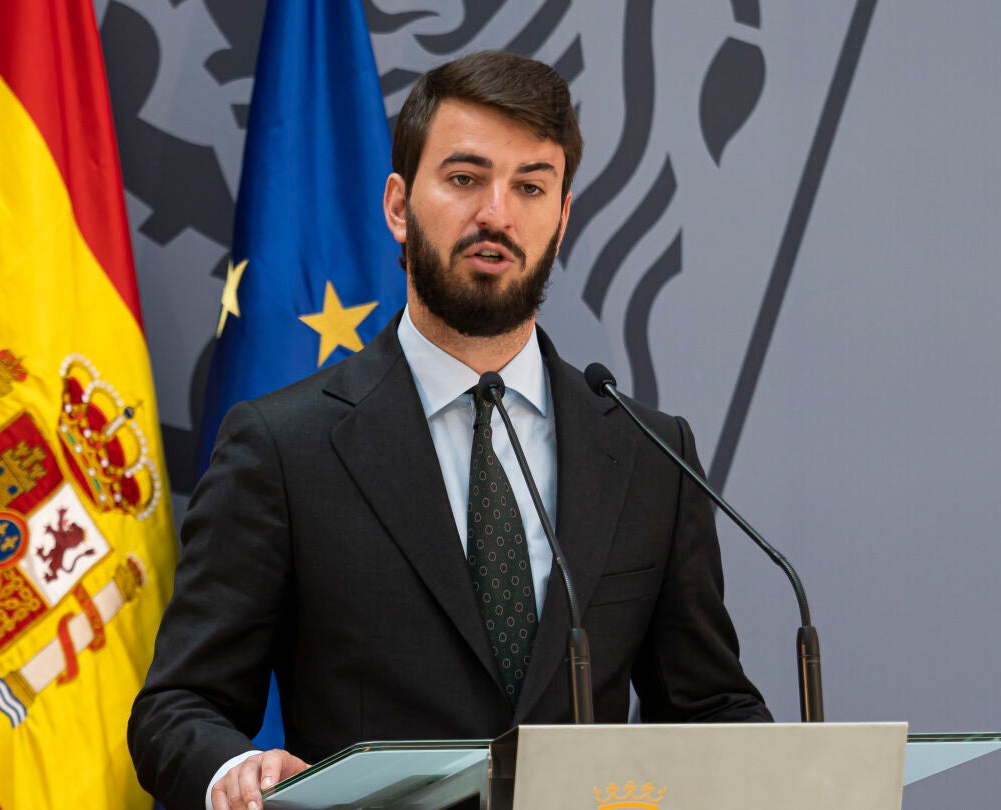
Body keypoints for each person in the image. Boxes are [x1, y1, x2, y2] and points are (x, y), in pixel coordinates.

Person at [128, 51, 770, 810]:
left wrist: (804, 777)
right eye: (465, 179)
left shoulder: (647, 453)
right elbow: (178, 707)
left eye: (530, 186)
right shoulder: (282, 447)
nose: (497, 213)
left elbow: (708, 709)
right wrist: (234, 772)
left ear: (562, 218)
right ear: (399, 205)